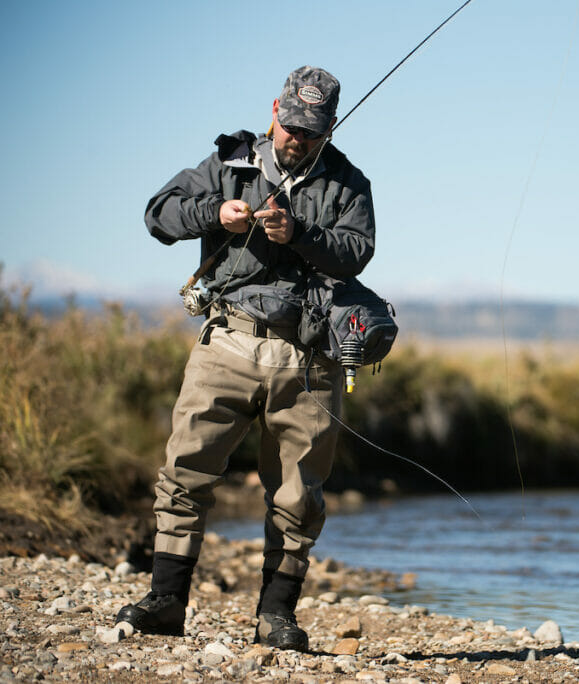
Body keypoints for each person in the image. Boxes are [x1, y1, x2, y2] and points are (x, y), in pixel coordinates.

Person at [116, 66, 375, 651]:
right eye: (290, 125)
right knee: (185, 472)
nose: (296, 139)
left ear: (329, 128)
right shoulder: (229, 165)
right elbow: (159, 214)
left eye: (311, 131)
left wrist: (300, 233)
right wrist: (215, 213)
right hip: (226, 342)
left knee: (298, 494)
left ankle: (276, 617)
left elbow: (357, 251)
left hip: (308, 358)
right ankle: (165, 602)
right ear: (273, 112)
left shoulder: (349, 183)